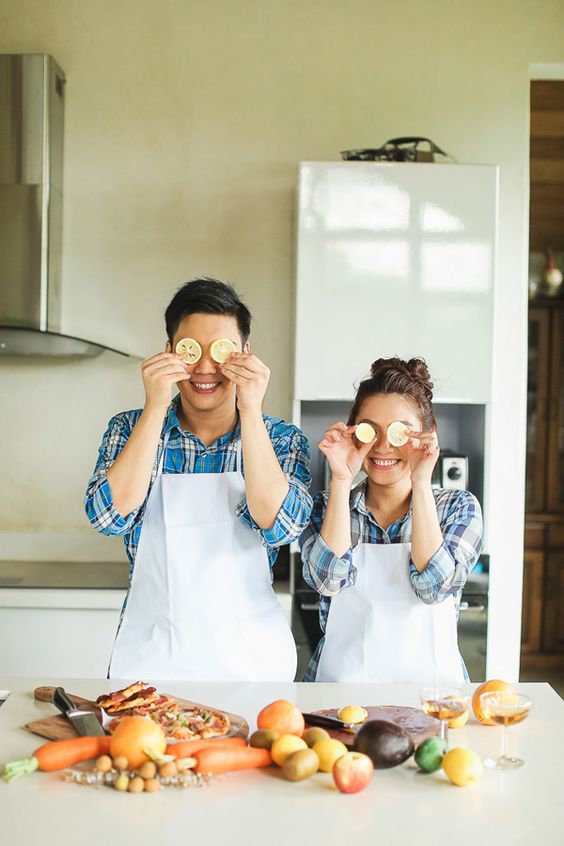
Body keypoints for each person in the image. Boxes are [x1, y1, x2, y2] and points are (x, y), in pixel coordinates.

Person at [85, 278, 312, 681]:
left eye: (221, 351)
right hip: (151, 657)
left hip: (251, 661)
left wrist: (251, 411)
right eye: (191, 351)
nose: (205, 368)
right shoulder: (128, 429)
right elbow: (107, 516)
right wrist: (154, 406)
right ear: (170, 352)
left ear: (245, 354)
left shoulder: (280, 439)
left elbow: (283, 526)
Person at [300, 357, 483, 683]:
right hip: (338, 701)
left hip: (432, 699)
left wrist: (422, 482)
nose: (383, 446)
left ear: (427, 435)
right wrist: (341, 479)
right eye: (371, 430)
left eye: (400, 432)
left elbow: (434, 588)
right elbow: (326, 581)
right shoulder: (327, 506)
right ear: (354, 433)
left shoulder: (458, 507)